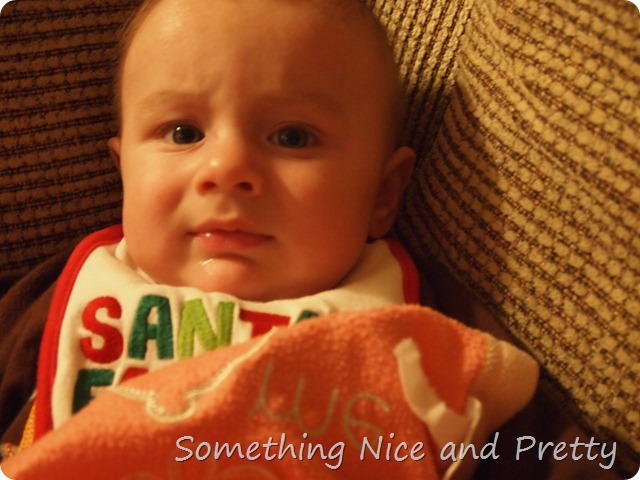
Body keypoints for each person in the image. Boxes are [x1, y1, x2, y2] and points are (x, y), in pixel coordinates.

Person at [0, 1, 541, 478]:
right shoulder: (61, 298)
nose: (227, 167)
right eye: (184, 133)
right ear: (125, 174)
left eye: (292, 137)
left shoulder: (426, 323)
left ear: (382, 195)